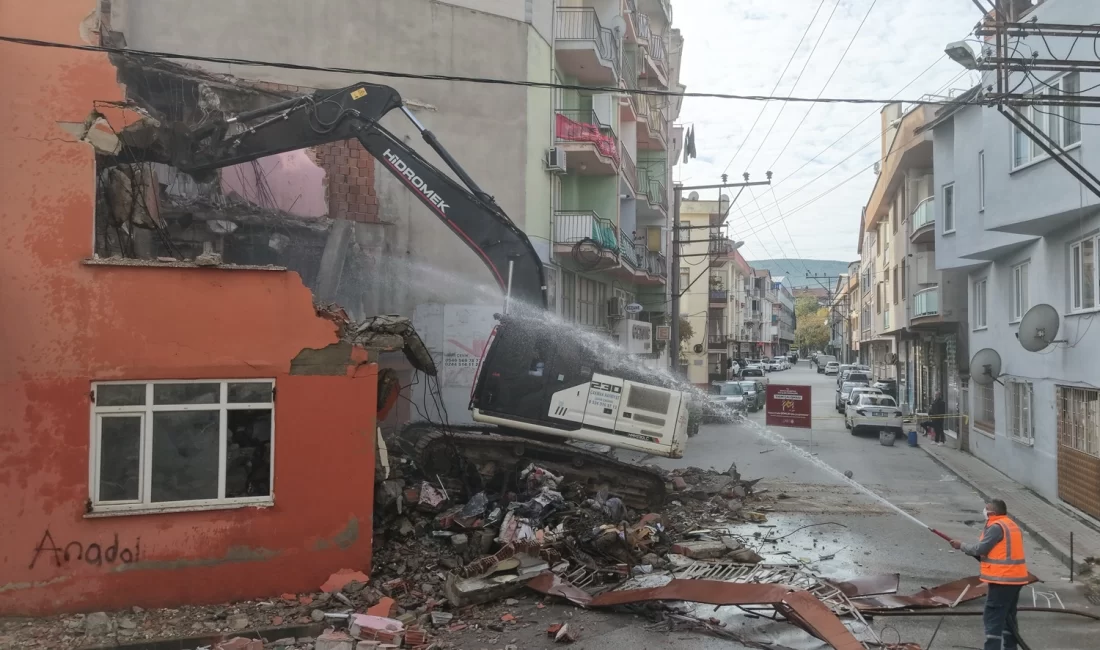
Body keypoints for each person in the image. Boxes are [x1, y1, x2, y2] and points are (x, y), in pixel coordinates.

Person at [949, 500, 1029, 650]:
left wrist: (962, 546)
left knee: (992, 616)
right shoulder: (1010, 524)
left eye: (986, 509)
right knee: (1008, 617)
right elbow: (997, 551)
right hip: (1015, 578)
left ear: (993, 513)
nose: (984, 511)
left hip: (1003, 579)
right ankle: (1010, 647)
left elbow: (981, 548)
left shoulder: (996, 527)